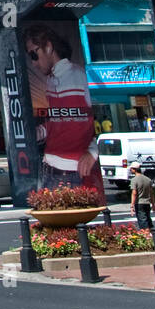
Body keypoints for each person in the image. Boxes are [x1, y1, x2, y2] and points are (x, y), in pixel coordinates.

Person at [23, 23, 102, 193]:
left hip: (70, 170)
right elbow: (61, 121)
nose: (33, 63)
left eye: (34, 54)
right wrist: (38, 133)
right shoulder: (53, 80)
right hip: (52, 166)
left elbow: (89, 120)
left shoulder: (74, 76)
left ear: (49, 47)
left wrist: (93, 151)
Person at [129, 162, 155, 230]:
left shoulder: (134, 180)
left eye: (131, 169)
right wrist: (153, 205)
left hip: (139, 203)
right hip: (147, 202)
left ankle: (146, 236)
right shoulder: (148, 179)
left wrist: (132, 205)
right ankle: (152, 235)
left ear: (134, 169)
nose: (130, 170)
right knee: (148, 219)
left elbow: (134, 193)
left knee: (143, 221)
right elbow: (151, 193)